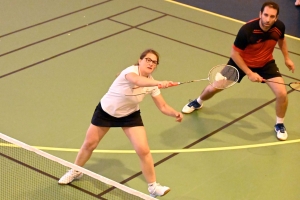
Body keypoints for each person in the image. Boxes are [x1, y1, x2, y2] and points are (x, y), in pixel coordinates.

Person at [58, 49, 183, 198]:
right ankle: (75, 171)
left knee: (143, 150)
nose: (151, 63)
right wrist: (160, 83)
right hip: (106, 112)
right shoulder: (130, 72)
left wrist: (174, 113)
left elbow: (162, 106)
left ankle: (153, 187)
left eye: (154, 62)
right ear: (140, 60)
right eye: (148, 60)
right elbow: (137, 81)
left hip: (129, 115)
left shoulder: (151, 83)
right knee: (89, 144)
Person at [182, 1, 295, 141]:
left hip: (266, 63)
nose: (268, 19)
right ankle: (198, 101)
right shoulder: (247, 30)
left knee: (282, 94)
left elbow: (281, 40)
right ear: (260, 14)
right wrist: (249, 73)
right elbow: (234, 54)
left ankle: (279, 124)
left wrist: (287, 58)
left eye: (272, 16)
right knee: (214, 87)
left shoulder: (279, 27)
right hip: (241, 63)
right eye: (265, 15)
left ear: (276, 18)